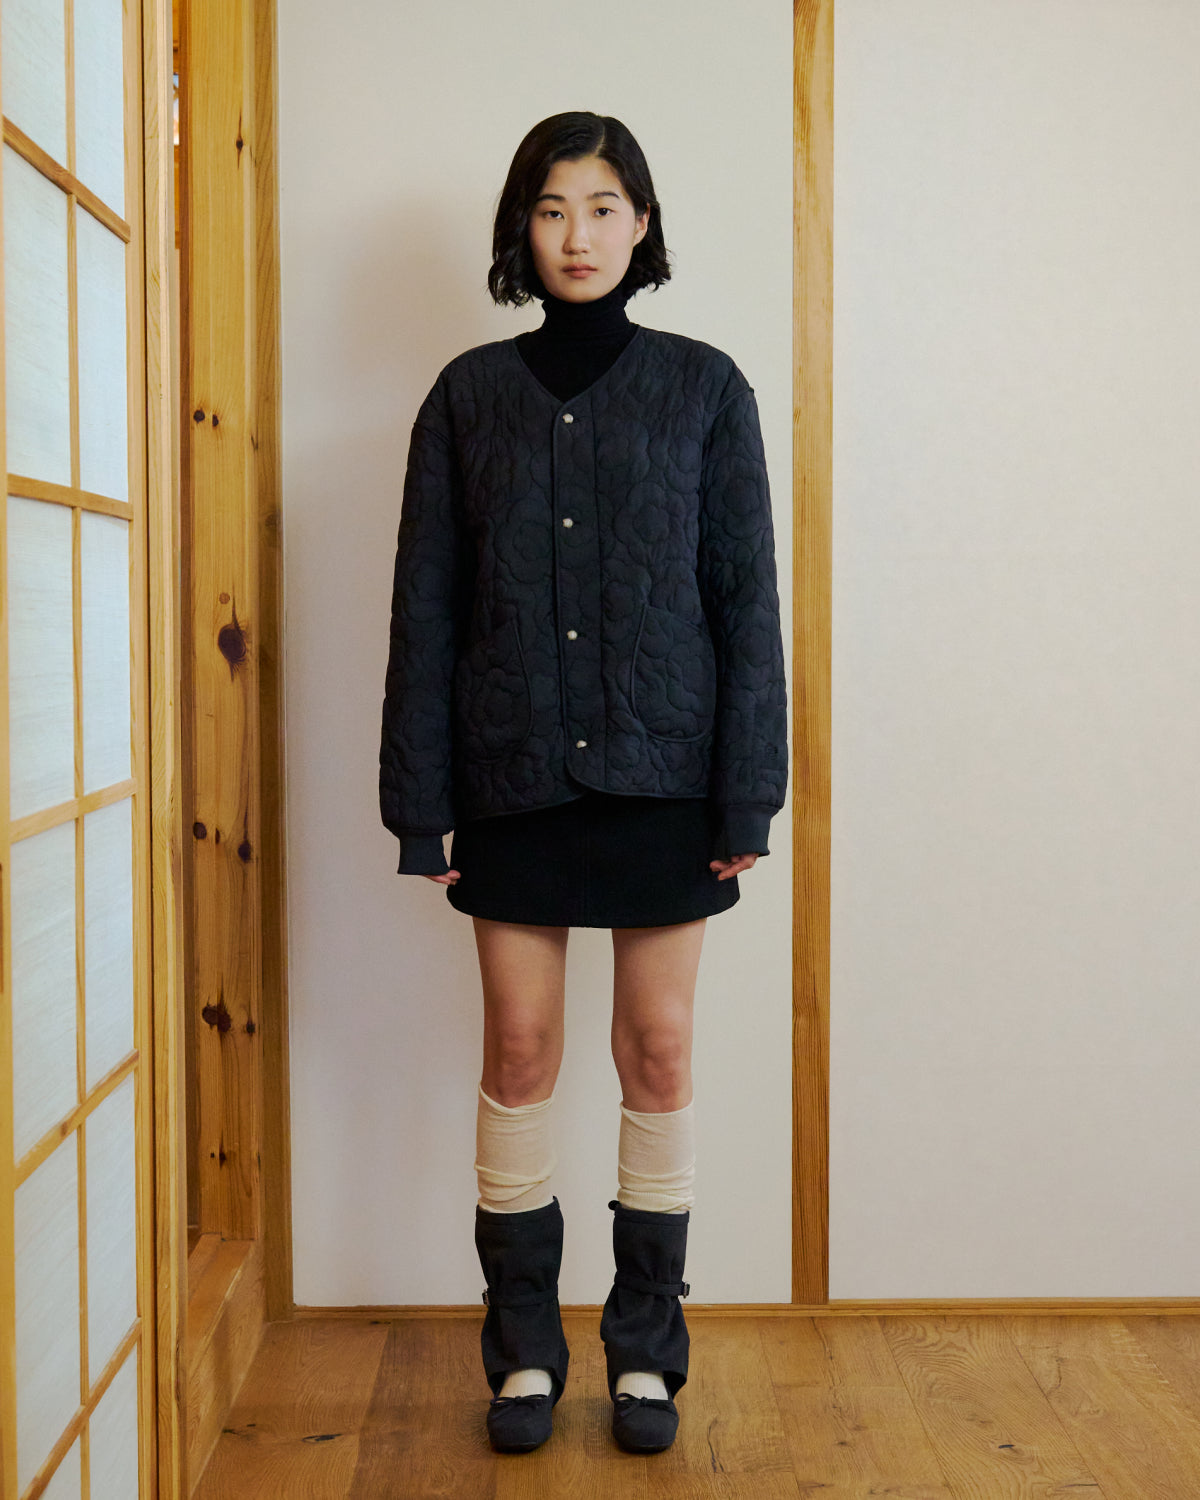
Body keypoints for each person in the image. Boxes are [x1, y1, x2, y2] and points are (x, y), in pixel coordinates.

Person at [379, 111, 788, 1456]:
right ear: (522, 227)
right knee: (520, 1051)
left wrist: (747, 795)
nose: (580, 235)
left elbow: (744, 605)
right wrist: (418, 799)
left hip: (669, 780)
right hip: (509, 777)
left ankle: (648, 1354)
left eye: (606, 207)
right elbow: (425, 609)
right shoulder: (467, 399)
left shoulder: (707, 389)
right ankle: (523, 1355)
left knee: (657, 1053)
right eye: (555, 209)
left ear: (645, 224)